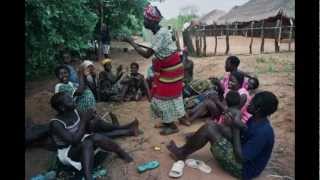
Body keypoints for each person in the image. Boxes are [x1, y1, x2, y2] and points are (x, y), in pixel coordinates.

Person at [166, 91, 278, 180]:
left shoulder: (263, 132)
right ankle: (185, 149)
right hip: (242, 151)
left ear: (258, 109)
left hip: (244, 170)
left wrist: (234, 127)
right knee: (213, 125)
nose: (249, 103)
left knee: (210, 129)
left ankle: (182, 153)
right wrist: (234, 125)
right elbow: (246, 134)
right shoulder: (257, 119)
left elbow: (241, 157)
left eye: (252, 103)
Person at [123, 3, 185, 135]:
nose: (143, 21)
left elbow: (147, 54)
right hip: (169, 68)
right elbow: (154, 50)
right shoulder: (159, 32)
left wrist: (131, 42)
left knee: (161, 97)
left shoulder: (160, 34)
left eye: (145, 19)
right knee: (162, 95)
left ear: (151, 21)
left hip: (171, 70)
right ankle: (166, 121)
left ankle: (172, 126)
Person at [49, 92, 138, 180]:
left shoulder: (75, 111)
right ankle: (88, 177)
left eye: (70, 97)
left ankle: (120, 151)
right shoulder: (56, 123)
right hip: (68, 152)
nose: (72, 100)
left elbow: (86, 129)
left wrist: (92, 118)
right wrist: (84, 120)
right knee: (88, 142)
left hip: (81, 140)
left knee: (95, 132)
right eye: (69, 100)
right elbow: (73, 141)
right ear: (62, 108)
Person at [185, 71, 251, 125]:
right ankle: (189, 115)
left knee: (209, 102)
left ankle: (190, 117)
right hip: (224, 111)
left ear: (239, 83)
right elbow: (224, 103)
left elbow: (231, 112)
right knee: (208, 98)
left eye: (232, 81)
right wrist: (216, 95)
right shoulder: (232, 89)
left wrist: (216, 101)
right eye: (229, 80)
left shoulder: (243, 95)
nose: (229, 83)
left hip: (230, 117)